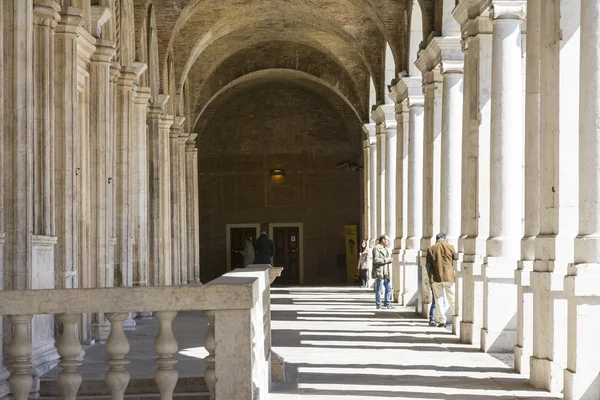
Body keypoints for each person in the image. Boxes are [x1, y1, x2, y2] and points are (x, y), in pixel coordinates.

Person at [426, 232, 458, 328]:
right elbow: (455, 260)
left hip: (436, 277)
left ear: (436, 239)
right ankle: (456, 316)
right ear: (445, 238)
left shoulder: (431, 248)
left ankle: (442, 320)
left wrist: (430, 277)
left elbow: (428, 265)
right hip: (449, 277)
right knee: (452, 297)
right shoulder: (451, 247)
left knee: (438, 299)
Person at [372, 234, 393, 309]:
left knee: (389, 288)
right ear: (383, 240)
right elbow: (376, 260)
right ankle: (378, 304)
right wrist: (387, 260)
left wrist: (389, 260)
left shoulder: (386, 249)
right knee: (379, 289)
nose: (388, 242)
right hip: (380, 271)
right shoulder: (376, 248)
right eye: (387, 240)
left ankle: (387, 303)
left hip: (386, 272)